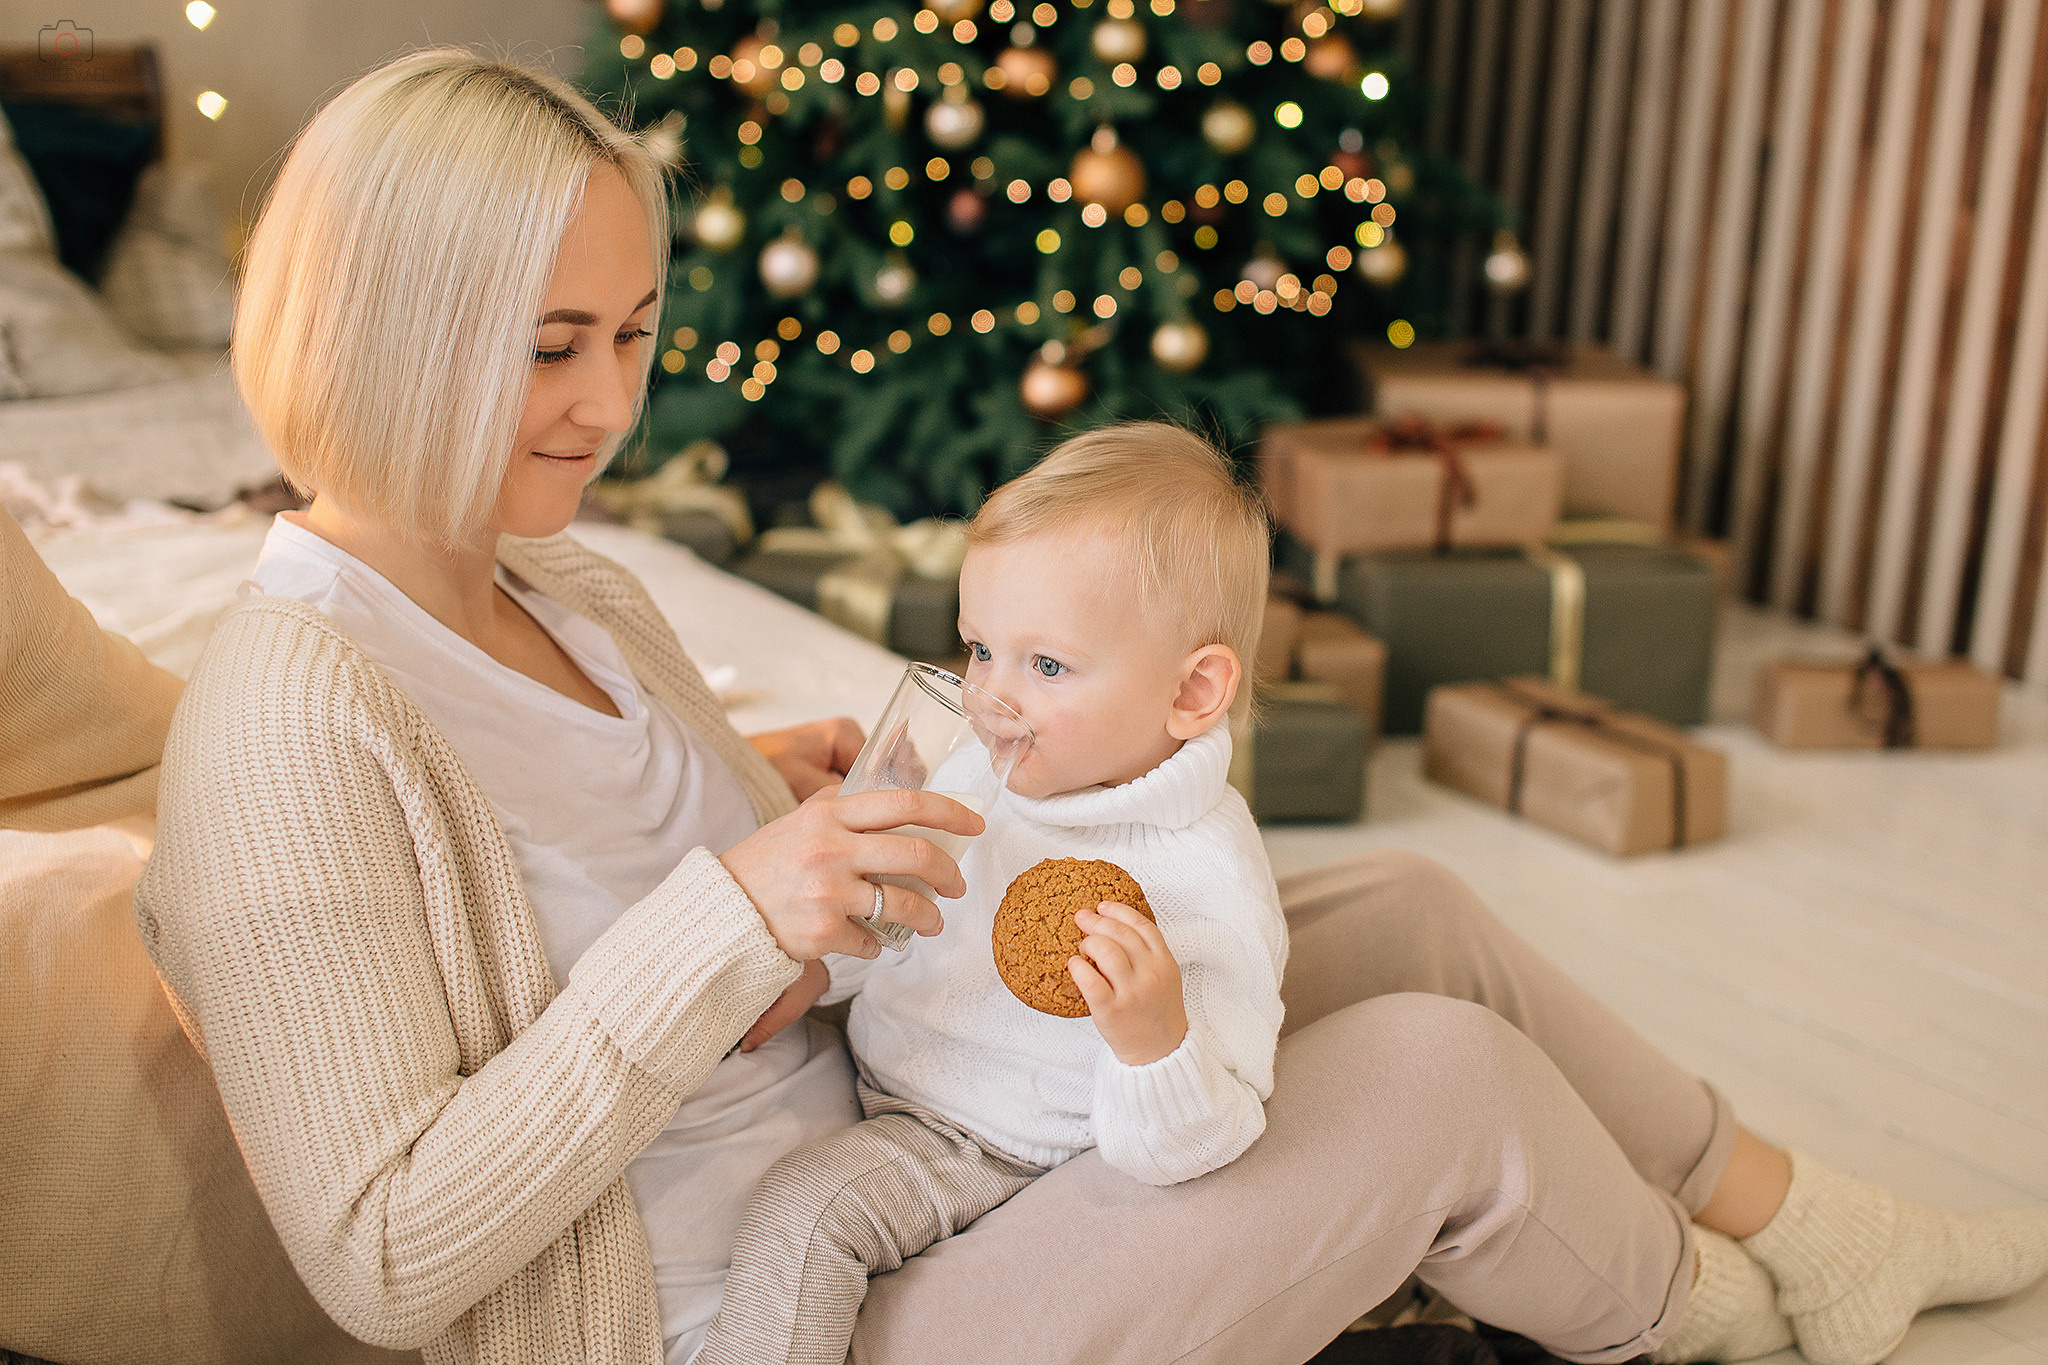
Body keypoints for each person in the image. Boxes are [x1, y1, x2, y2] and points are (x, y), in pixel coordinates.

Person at [131, 45, 2047, 1365]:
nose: (606, 404)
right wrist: (727, 912)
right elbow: (384, 1258)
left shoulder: (573, 583)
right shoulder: (288, 722)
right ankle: (1707, 1318)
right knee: (1442, 1089)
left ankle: (1808, 1222)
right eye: (550, 348)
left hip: (911, 1121)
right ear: (382, 327)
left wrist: (775, 814)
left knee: (1411, 916)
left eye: (631, 338)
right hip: (761, 1308)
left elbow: (723, 920)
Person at [694, 426, 1291, 1365]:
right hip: (896, 1059)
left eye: (1046, 666)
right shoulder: (990, 760)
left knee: (802, 1219)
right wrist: (819, 952)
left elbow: (1200, 1142)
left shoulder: (1205, 882)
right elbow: (912, 922)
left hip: (989, 1139)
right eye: (979, 649)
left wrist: (1154, 1042)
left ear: (1194, 691)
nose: (988, 699)